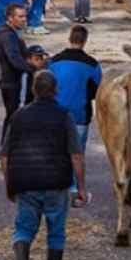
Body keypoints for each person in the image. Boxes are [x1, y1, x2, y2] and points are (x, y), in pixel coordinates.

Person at [3, 71, 88, 260]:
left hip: (26, 183)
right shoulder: (63, 116)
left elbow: (5, 156)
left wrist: (9, 184)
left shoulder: (19, 116)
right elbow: (76, 155)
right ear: (56, 90)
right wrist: (80, 187)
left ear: (33, 90)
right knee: (56, 233)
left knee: (23, 230)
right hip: (56, 183)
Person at [48, 26, 102, 205]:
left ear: (69, 38)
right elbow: (97, 91)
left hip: (55, 112)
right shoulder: (92, 64)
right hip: (80, 114)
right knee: (77, 152)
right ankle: (72, 188)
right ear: (85, 41)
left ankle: (55, 186)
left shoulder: (54, 61)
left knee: (56, 149)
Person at [0, 4, 47, 159]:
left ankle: (10, 152)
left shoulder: (12, 34)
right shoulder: (7, 36)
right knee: (14, 118)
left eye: (25, 16)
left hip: (13, 82)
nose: (24, 20)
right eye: (20, 17)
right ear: (10, 18)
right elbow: (14, 59)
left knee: (15, 117)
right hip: (12, 83)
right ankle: (4, 154)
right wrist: (33, 70)